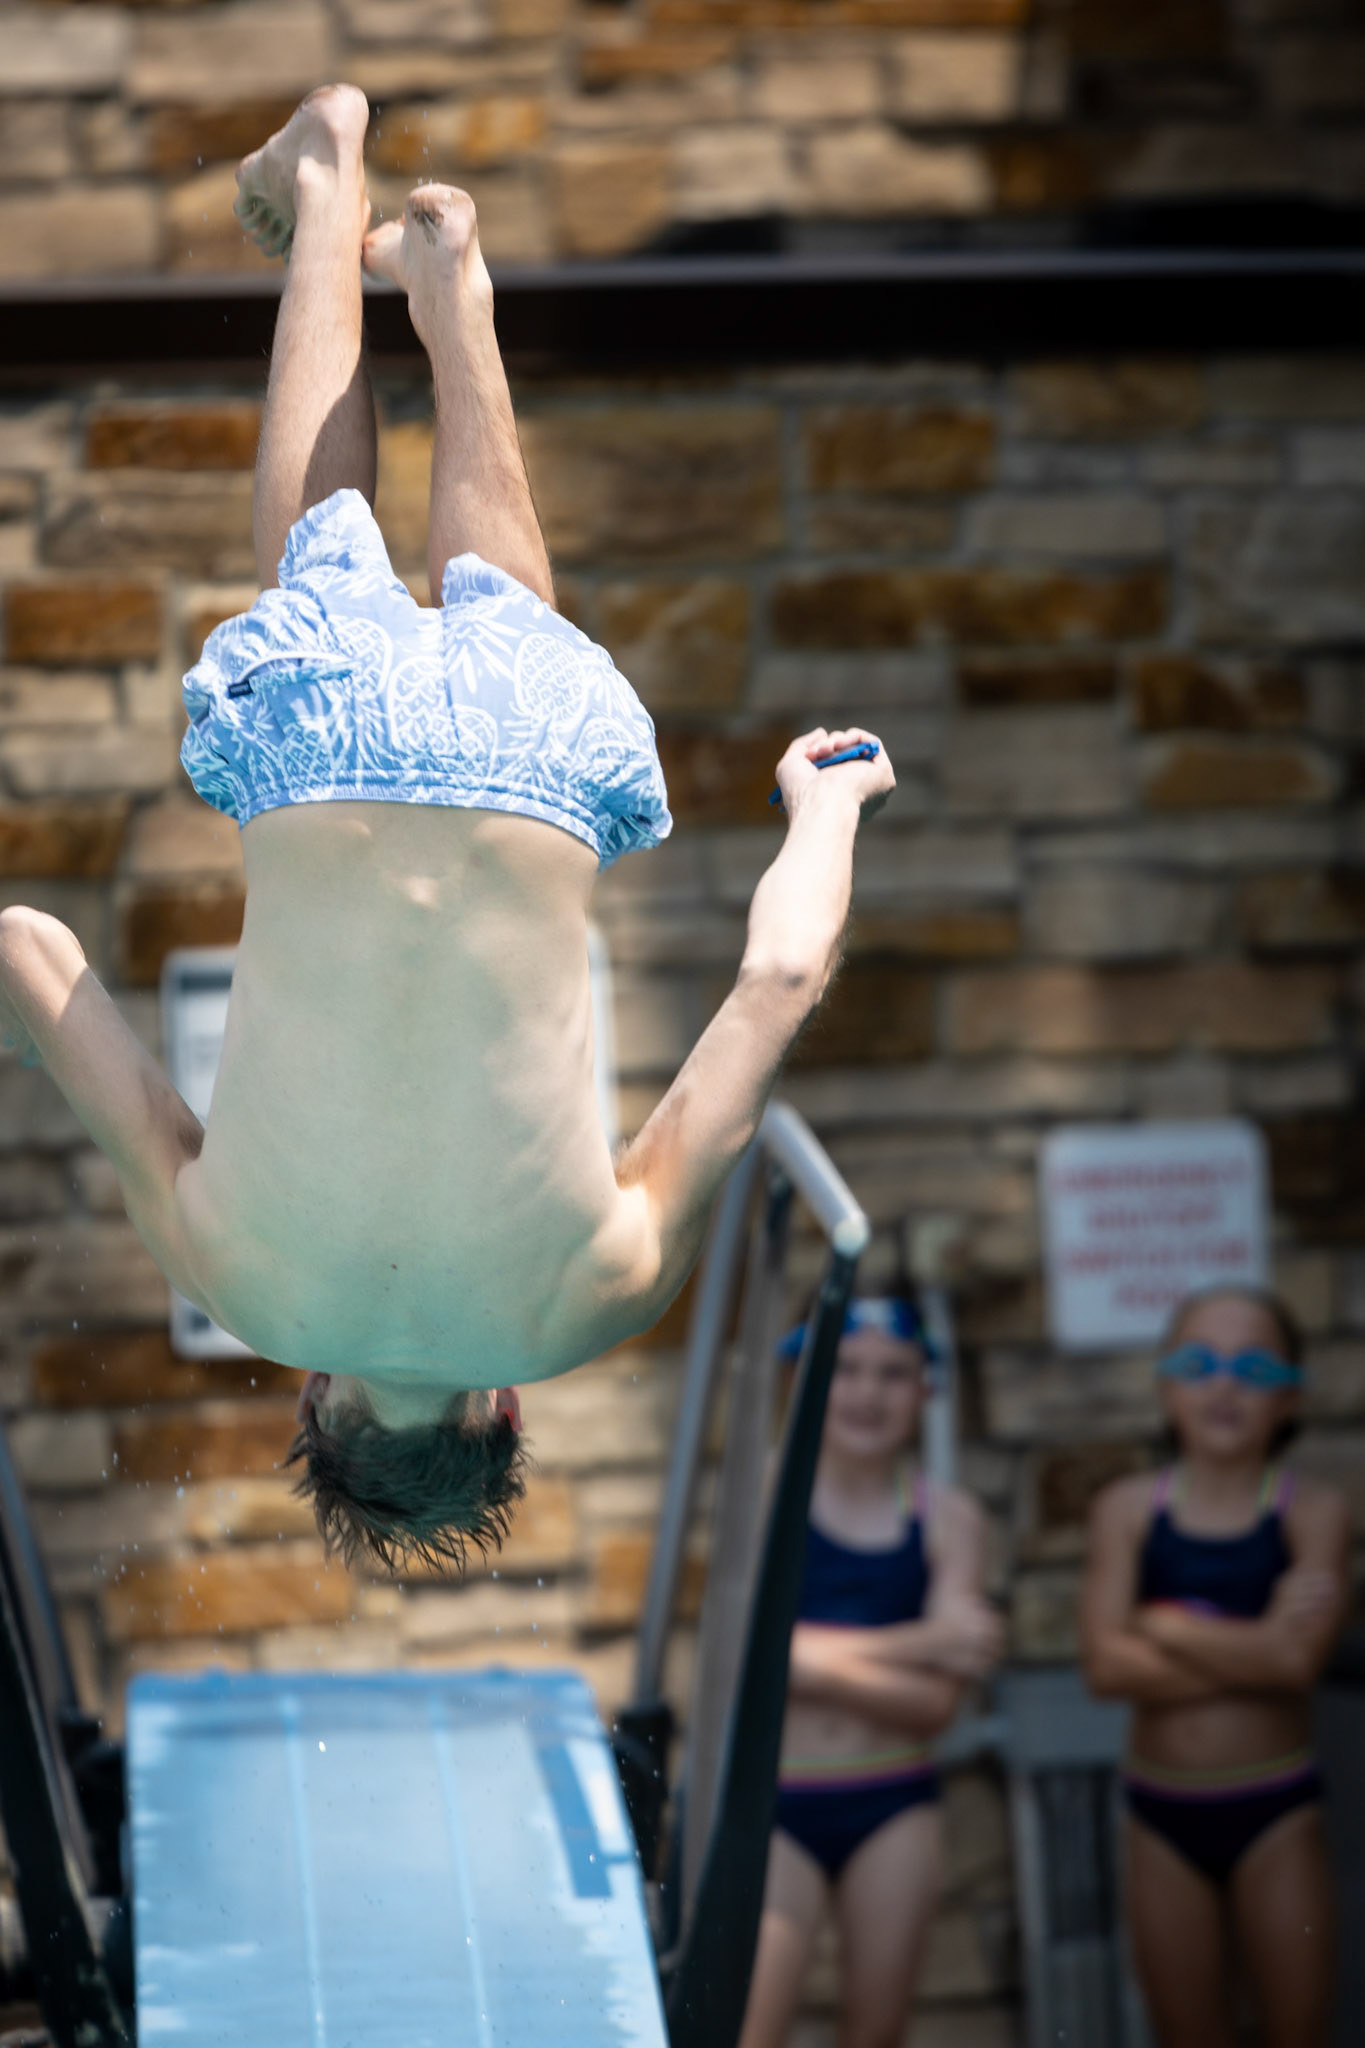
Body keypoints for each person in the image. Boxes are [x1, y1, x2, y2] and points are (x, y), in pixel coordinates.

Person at [0, 86, 895, 1574]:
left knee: (507, 633)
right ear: (318, 1403)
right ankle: (328, 189)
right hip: (319, 761)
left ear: (503, 1415)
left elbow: (780, 985)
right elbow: (29, 950)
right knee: (312, 564)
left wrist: (830, 802)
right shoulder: (246, 1288)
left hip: (528, 761)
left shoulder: (593, 1300)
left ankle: (450, 300)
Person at [1081, 1286, 1351, 2048]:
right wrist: (1253, 1643)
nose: (1224, 1384)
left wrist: (1161, 1624)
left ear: (1290, 1400)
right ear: (1167, 1389)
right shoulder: (1127, 1509)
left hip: (1276, 1811)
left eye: (1254, 1369)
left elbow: (1296, 1662)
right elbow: (1103, 1667)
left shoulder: (1312, 1512)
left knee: (1296, 2032)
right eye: (1199, 1363)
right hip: (1161, 1817)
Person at [739, 1289, 1002, 2048]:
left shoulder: (950, 1519)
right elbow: (754, 1663)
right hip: (777, 1800)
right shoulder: (765, 1492)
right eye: (845, 1369)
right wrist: (919, 1641)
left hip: (892, 1799)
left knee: (877, 2033)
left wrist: (804, 1658)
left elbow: (933, 1711)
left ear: (926, 1388)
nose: (865, 1392)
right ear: (805, 1379)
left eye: (892, 1373)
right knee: (750, 2032)